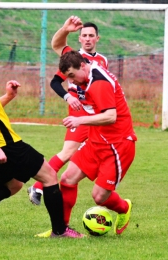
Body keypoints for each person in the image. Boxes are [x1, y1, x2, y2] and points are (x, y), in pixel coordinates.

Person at [0, 33, 84, 238]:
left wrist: (8, 97)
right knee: (49, 176)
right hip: (4, 144)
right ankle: (60, 230)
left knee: (12, 185)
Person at [36, 16, 137, 238]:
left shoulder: (98, 82)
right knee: (67, 179)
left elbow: (111, 116)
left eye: (73, 76)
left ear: (82, 66)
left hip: (117, 145)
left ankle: (124, 208)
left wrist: (79, 120)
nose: (73, 81)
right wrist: (65, 28)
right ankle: (61, 230)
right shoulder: (78, 62)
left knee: (99, 197)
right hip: (96, 140)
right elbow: (56, 45)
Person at [27, 19, 108, 206]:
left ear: (97, 38)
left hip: (95, 115)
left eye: (91, 36)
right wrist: (68, 97)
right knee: (69, 152)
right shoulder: (73, 57)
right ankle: (39, 186)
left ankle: (46, 186)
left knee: (80, 154)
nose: (87, 39)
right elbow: (55, 77)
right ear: (79, 38)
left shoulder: (103, 60)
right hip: (79, 113)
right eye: (84, 36)